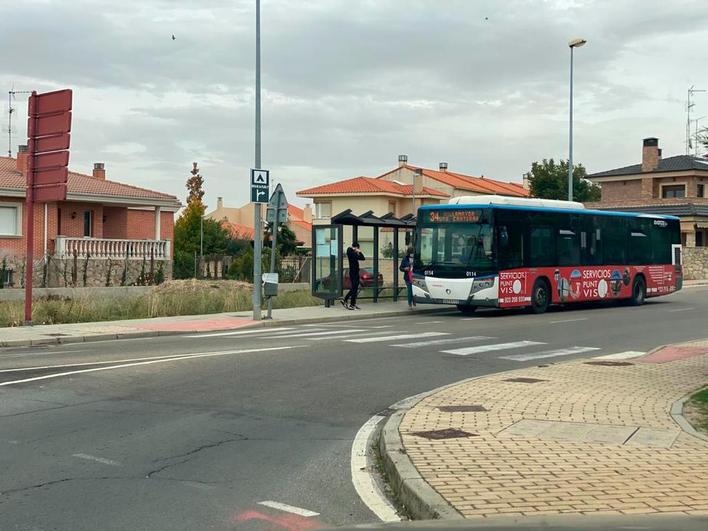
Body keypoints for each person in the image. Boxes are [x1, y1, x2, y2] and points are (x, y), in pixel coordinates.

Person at [342, 242, 365, 309]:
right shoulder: (350, 251)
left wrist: (357, 251)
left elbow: (361, 258)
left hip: (355, 272)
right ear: (356, 247)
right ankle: (346, 299)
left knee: (355, 288)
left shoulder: (353, 252)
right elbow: (362, 258)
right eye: (358, 248)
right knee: (354, 288)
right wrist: (359, 252)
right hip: (353, 273)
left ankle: (352, 303)